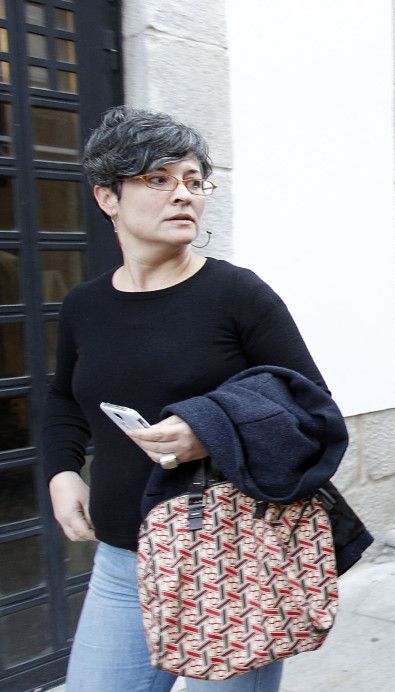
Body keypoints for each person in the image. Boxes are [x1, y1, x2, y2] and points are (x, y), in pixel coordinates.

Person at [43, 107, 331, 691]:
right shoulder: (85, 306)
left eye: (195, 181)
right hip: (122, 560)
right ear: (108, 198)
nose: (184, 194)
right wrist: (61, 472)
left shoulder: (237, 295)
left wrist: (213, 430)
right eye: (158, 179)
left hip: (230, 561)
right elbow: (63, 399)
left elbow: (314, 412)